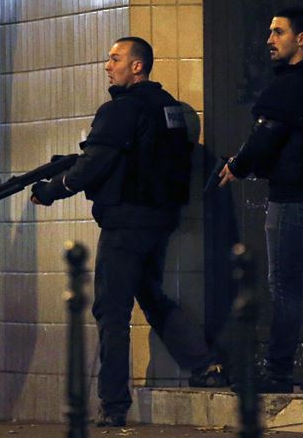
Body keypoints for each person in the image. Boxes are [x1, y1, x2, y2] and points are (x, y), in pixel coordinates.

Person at [31, 37, 226, 426]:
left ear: (137, 66)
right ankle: (206, 365)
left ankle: (114, 406)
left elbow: (95, 164)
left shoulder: (121, 109)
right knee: (151, 296)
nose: (108, 65)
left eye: (115, 58)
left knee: (112, 310)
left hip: (126, 223)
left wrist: (52, 191)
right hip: (159, 220)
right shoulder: (170, 108)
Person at [219, 7, 303, 393]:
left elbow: (267, 134)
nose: (269, 40)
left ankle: (277, 373)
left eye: (278, 32)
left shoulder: (293, 83)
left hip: (294, 198)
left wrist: (238, 166)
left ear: (302, 38)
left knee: (285, 286)